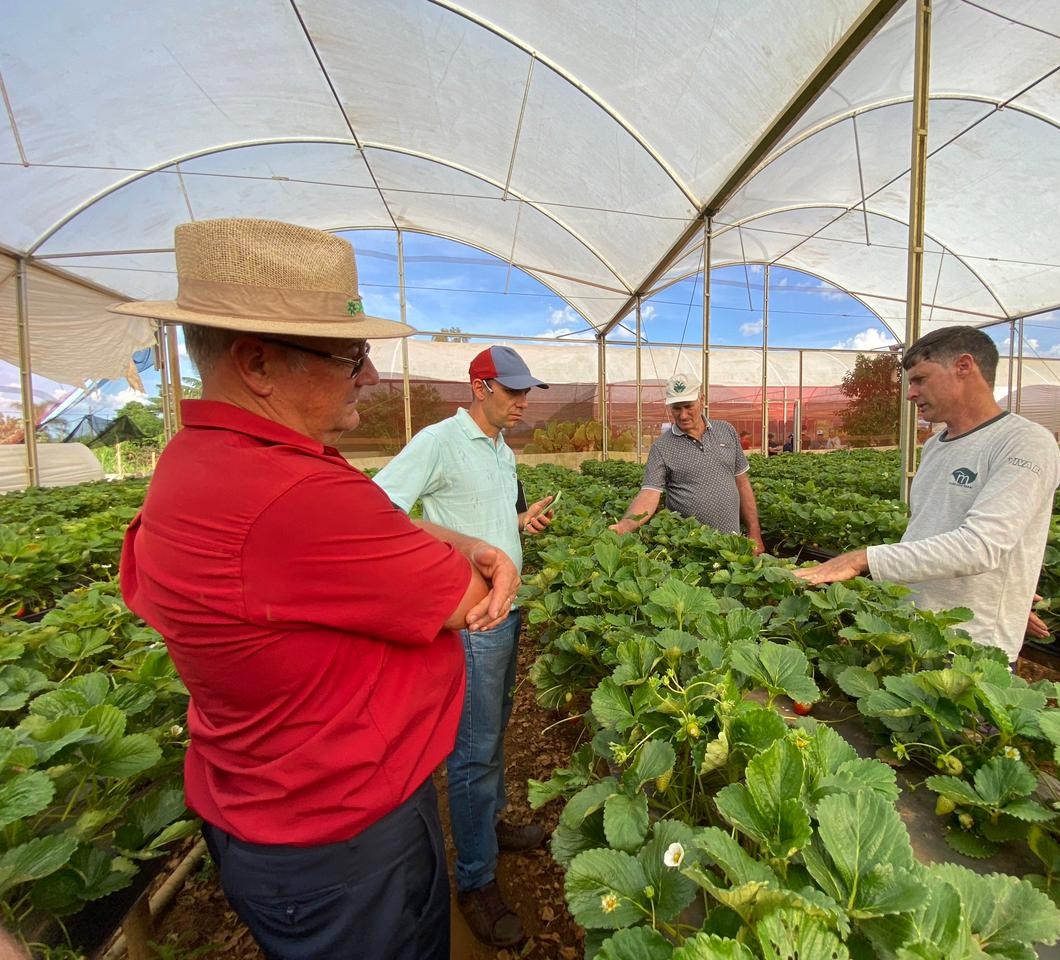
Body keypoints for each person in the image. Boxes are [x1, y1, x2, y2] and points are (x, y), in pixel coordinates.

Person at [111, 218, 519, 960]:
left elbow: (384, 535)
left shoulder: (194, 463)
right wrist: (473, 552)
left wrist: (459, 538)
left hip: (278, 812)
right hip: (344, 841)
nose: (368, 375)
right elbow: (466, 596)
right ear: (257, 361)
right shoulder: (295, 497)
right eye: (348, 355)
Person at [372, 345, 554, 948]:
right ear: (481, 388)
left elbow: (490, 518)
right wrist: (452, 562)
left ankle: (493, 825)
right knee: (472, 755)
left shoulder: (502, 450)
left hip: (509, 611)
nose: (524, 401)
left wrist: (519, 527)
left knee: (495, 730)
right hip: (474, 624)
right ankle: (475, 880)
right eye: (514, 391)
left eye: (527, 391)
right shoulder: (438, 441)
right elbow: (381, 511)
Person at [795, 325, 1060, 664]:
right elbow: (928, 529)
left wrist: (862, 558)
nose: (910, 394)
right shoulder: (936, 444)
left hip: (969, 647)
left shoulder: (1024, 442)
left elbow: (980, 546)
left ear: (964, 367)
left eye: (920, 379)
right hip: (912, 626)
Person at [609, 374, 764, 554]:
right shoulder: (662, 447)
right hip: (690, 549)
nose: (683, 415)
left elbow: (742, 483)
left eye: (688, 406)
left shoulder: (726, 431)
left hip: (732, 544)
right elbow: (649, 494)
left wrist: (755, 532)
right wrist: (624, 526)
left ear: (702, 399)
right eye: (676, 408)